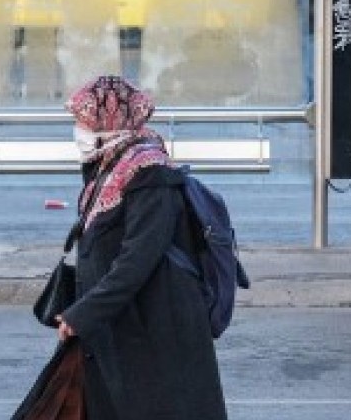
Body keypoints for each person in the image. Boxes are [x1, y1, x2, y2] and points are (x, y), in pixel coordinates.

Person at [56, 75, 228, 420]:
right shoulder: (111, 163)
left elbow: (138, 258)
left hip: (155, 324)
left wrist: (84, 313)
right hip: (122, 321)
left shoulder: (150, 174)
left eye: (83, 122)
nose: (78, 131)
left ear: (108, 123)